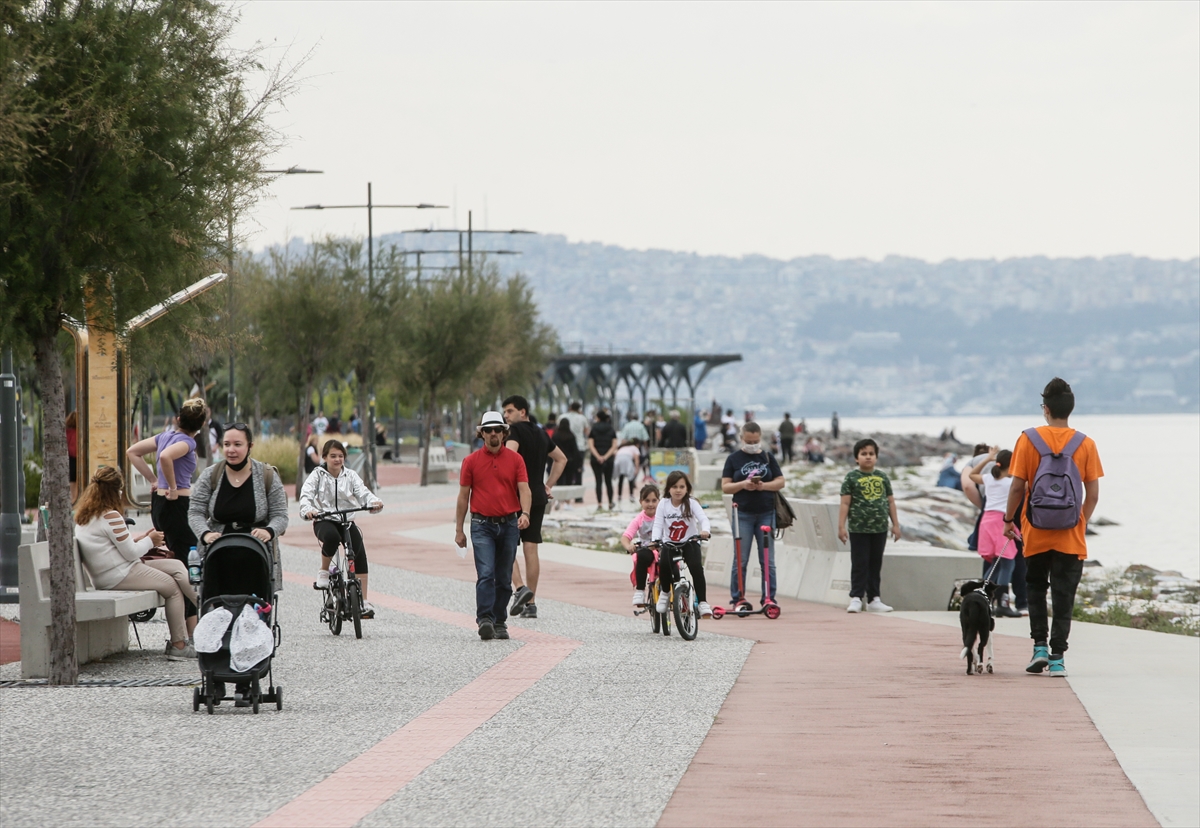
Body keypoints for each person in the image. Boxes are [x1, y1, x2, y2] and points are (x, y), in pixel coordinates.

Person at [1004, 377, 1103, 678]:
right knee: (1063, 596)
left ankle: (1039, 648)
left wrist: (1009, 520)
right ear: (1070, 409)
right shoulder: (1086, 444)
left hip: (1035, 531)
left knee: (1035, 589)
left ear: (1045, 409)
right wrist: (1080, 522)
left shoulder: (1028, 439)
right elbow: (1093, 494)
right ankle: (1058, 657)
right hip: (1070, 536)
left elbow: (1017, 487)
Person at [74, 466, 197, 660]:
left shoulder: (86, 516)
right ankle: (179, 645)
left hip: (112, 572)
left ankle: (208, 605)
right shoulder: (110, 516)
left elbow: (121, 547)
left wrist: (144, 538)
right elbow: (131, 553)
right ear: (115, 490)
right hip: (118, 574)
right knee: (173, 588)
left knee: (176, 566)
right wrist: (152, 541)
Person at [455, 411, 532, 640]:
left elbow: (524, 489)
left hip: (509, 524)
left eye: (497, 429)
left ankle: (500, 620)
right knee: (486, 573)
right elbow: (463, 497)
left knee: (504, 577)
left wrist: (525, 513)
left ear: (504, 432)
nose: (493, 434)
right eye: (488, 430)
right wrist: (459, 530)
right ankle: (485, 619)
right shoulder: (470, 461)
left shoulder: (516, 460)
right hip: (481, 525)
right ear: (481, 434)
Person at [300, 439, 384, 618]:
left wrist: (373, 503)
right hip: (324, 519)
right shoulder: (317, 475)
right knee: (331, 537)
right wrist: (309, 510)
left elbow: (363, 493)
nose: (337, 460)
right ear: (324, 457)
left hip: (346, 520)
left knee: (358, 549)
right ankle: (323, 571)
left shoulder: (351, 475)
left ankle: (364, 601)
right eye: (333, 456)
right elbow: (306, 495)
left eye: (340, 456)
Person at [503, 395, 567, 621]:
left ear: (522, 412)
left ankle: (520, 588)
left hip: (514, 495)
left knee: (505, 544)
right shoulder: (541, 433)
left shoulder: (515, 431)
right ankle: (531, 604)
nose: (506, 416)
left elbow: (508, 457)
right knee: (531, 547)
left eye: (509, 411)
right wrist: (547, 484)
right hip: (538, 497)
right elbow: (561, 459)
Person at [188, 423, 289, 553]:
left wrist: (269, 531)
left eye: (237, 444)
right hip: (217, 552)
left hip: (258, 553)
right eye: (226, 444)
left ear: (250, 446)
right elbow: (195, 511)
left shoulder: (267, 475)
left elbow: (280, 515)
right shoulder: (210, 475)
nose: (231, 450)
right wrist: (205, 534)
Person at [721, 422, 786, 609]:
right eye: (749, 441)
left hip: (766, 512)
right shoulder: (733, 459)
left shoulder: (767, 456)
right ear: (741, 438)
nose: (752, 444)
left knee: (768, 559)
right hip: (742, 514)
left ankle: (769, 597)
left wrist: (762, 486)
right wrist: (743, 484)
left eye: (756, 441)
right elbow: (725, 486)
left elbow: (780, 481)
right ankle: (738, 597)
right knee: (740, 559)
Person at [838, 438, 901, 613]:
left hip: (879, 528)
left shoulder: (882, 477)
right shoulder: (851, 477)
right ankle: (856, 597)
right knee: (860, 562)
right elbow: (845, 503)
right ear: (856, 458)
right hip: (858, 528)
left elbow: (890, 502)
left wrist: (895, 524)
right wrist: (841, 526)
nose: (868, 457)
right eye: (863, 454)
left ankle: (874, 599)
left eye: (871, 454)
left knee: (875, 563)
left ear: (876, 457)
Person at [969, 447, 1021, 618]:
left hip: (986, 522)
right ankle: (1003, 604)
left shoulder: (990, 479)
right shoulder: (1010, 483)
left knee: (995, 564)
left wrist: (987, 459)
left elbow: (972, 475)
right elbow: (1029, 484)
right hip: (1001, 522)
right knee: (1007, 562)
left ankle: (983, 599)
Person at [652, 471, 712, 618]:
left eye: (681, 486)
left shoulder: (691, 503)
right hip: (669, 543)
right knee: (664, 564)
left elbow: (703, 519)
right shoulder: (663, 504)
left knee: (696, 568)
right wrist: (655, 540)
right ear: (668, 489)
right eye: (674, 487)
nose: (678, 490)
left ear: (687, 488)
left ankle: (703, 602)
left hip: (689, 542)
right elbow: (658, 524)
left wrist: (705, 530)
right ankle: (665, 593)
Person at [621, 483, 661, 607]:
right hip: (647, 548)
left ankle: (675, 593)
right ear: (641, 502)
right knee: (641, 557)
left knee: (671, 561)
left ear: (659, 501)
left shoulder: (663, 516)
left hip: (662, 547)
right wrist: (629, 546)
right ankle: (640, 591)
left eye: (654, 500)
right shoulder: (639, 519)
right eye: (647, 500)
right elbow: (625, 537)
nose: (651, 504)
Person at [588, 409, 618, 510]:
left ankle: (599, 504)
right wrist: (605, 457)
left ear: (598, 418)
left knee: (598, 481)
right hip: (608, 459)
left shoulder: (594, 429)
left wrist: (598, 456)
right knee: (608, 481)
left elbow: (591, 445)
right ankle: (610, 503)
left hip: (595, 459)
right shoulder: (611, 429)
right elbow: (614, 446)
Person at [552, 416, 582, 510]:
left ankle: (558, 500)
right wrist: (578, 464)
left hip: (558, 461)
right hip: (570, 462)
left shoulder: (556, 436)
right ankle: (567, 503)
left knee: (559, 481)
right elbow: (575, 451)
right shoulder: (571, 436)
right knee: (569, 481)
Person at [66, 411, 79, 501]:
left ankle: (72, 500)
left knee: (72, 482)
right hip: (77, 459)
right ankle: (74, 499)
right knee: (77, 483)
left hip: (70, 459)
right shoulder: (79, 433)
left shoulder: (67, 432)